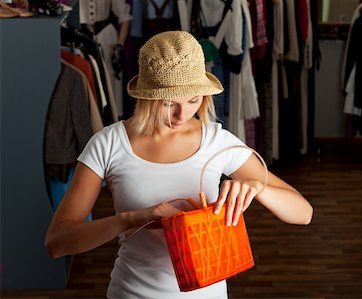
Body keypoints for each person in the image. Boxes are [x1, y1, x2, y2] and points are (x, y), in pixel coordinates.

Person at [45, 30, 313, 299]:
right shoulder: (109, 143)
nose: (182, 115)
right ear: (147, 96)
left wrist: (257, 187)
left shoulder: (218, 142)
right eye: (169, 103)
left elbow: (303, 214)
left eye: (193, 100)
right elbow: (57, 243)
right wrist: (132, 219)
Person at [79, 0, 133, 118]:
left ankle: (111, 118)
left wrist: (119, 44)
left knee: (109, 79)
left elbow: (124, 16)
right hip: (79, 38)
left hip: (105, 38)